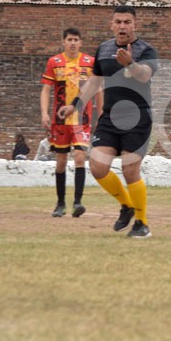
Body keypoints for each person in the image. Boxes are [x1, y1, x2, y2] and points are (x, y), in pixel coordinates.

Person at [58, 5, 158, 238]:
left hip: (138, 116)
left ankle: (142, 224)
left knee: (130, 169)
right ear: (111, 24)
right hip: (110, 116)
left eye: (127, 22)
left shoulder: (146, 50)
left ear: (135, 24)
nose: (122, 26)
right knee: (97, 166)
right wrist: (74, 104)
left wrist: (130, 64)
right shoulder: (104, 49)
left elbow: (144, 75)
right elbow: (94, 82)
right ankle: (127, 205)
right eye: (118, 21)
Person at [40, 27, 102, 217]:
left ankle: (77, 202)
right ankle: (60, 204)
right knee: (60, 162)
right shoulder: (54, 62)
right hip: (60, 121)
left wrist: (101, 114)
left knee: (80, 157)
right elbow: (46, 90)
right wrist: (44, 113)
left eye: (76, 39)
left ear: (81, 43)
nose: (73, 43)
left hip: (82, 120)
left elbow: (98, 90)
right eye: (70, 39)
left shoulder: (90, 62)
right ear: (64, 42)